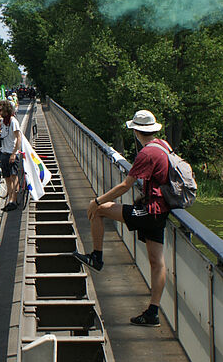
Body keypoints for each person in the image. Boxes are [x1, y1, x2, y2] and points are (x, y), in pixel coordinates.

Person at [73, 110, 172, 327]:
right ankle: (153, 313)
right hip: (161, 211)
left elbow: (125, 185)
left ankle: (96, 257)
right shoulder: (163, 146)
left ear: (136, 131)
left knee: (100, 211)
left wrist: (97, 201)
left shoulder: (146, 154)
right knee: (157, 262)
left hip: (149, 211)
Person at [0, 100, 22, 211]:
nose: (0, 112)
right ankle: (10, 200)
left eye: (1, 110)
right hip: (4, 153)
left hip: (11, 154)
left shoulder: (13, 122)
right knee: (7, 178)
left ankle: (14, 200)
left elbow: (18, 138)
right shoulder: (4, 122)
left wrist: (14, 153)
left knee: (13, 177)